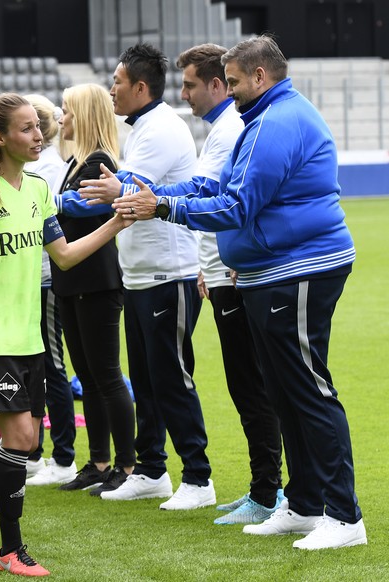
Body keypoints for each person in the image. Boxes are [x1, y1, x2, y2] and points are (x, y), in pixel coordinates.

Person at [107, 35, 366, 550]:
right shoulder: (259, 120)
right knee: (286, 392)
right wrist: (156, 196)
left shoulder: (274, 122)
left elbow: (236, 207)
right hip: (274, 272)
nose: (229, 90)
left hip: (299, 270)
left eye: (236, 81)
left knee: (310, 392)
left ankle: (344, 515)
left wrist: (161, 208)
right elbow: (214, 186)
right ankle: (305, 504)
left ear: (260, 78)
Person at [0, 93, 128, 577]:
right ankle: (11, 550)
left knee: (21, 441)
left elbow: (62, 256)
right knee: (21, 439)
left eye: (38, 127)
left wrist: (116, 223)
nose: (38, 134)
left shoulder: (40, 190)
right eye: (26, 128)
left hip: (29, 337)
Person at [92, 43, 286, 520]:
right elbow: (201, 189)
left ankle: (231, 483)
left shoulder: (225, 128)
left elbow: (215, 194)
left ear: (221, 85)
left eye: (191, 85)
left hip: (212, 273)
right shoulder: (215, 130)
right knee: (224, 383)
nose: (185, 94)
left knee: (246, 384)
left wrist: (151, 200)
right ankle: (255, 487)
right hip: (206, 272)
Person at [61, 43, 214, 510]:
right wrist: (115, 189)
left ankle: (198, 478)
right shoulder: (142, 129)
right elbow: (122, 192)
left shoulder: (162, 128)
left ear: (140, 87)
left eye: (118, 82)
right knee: (146, 379)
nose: (112, 90)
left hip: (170, 273)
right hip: (141, 275)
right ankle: (151, 469)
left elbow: (129, 195)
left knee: (172, 377)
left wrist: (112, 189)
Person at [36, 83, 138, 495]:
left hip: (97, 281)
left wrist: (42, 201)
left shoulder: (99, 161)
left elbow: (84, 205)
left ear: (86, 115)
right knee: (90, 377)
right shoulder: (76, 162)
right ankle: (98, 461)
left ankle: (128, 468)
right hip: (73, 281)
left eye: (67, 111)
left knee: (107, 375)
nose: (62, 119)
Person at [18, 93, 80, 487]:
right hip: (29, 279)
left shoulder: (49, 170)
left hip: (45, 278)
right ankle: (37, 452)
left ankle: (63, 456)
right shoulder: (40, 167)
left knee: (52, 368)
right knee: (36, 370)